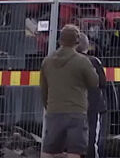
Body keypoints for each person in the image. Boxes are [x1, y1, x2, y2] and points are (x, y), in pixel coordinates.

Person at [40, 25, 99, 158]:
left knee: (49, 150)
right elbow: (94, 83)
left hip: (54, 112)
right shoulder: (82, 61)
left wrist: (50, 107)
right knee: (74, 152)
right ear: (76, 42)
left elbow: (44, 90)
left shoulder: (47, 62)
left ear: (60, 40)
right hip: (76, 113)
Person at [76, 34, 107, 158]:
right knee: (91, 138)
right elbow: (103, 82)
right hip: (93, 106)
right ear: (87, 46)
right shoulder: (94, 61)